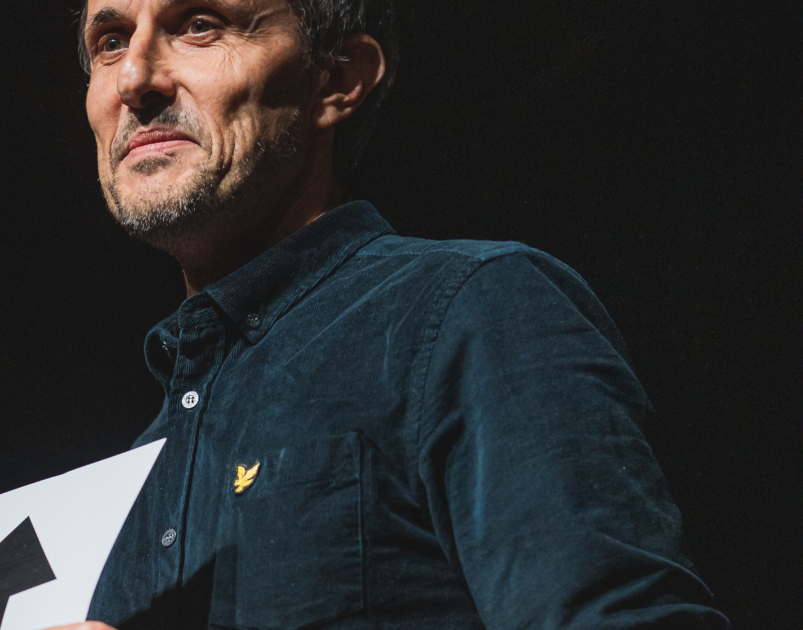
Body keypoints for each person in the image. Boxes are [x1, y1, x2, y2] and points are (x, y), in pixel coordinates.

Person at [45, 0, 729, 627]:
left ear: (338, 78)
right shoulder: (133, 477)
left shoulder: (468, 310)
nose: (135, 78)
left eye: (199, 26)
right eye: (110, 42)